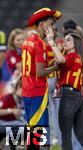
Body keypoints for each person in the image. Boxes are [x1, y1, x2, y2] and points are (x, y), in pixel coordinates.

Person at [46, 28, 83, 150]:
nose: (65, 41)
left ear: (76, 44)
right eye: (64, 39)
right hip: (79, 97)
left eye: (68, 40)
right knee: (81, 135)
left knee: (66, 136)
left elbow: (60, 60)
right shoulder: (81, 58)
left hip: (68, 96)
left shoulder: (71, 56)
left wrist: (51, 42)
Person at [22, 8, 62, 149]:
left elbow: (30, 68)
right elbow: (40, 72)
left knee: (32, 126)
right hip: (37, 90)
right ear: (41, 25)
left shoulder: (28, 41)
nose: (52, 28)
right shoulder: (40, 44)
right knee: (39, 128)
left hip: (27, 89)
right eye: (50, 24)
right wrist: (54, 68)